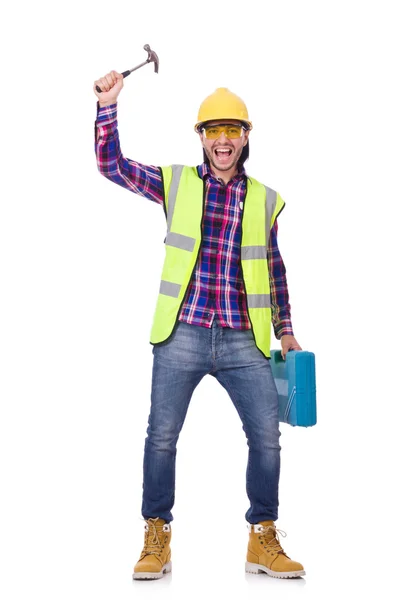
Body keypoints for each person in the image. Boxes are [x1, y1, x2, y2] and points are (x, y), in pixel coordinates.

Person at [93, 70, 305, 581]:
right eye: (213, 131)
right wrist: (108, 107)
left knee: (267, 440)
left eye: (232, 130)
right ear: (202, 137)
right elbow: (112, 166)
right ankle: (156, 536)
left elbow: (273, 266)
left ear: (246, 136)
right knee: (161, 437)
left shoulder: (264, 199)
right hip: (182, 332)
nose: (223, 140)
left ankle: (263, 538)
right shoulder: (176, 183)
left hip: (243, 339)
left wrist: (286, 330)